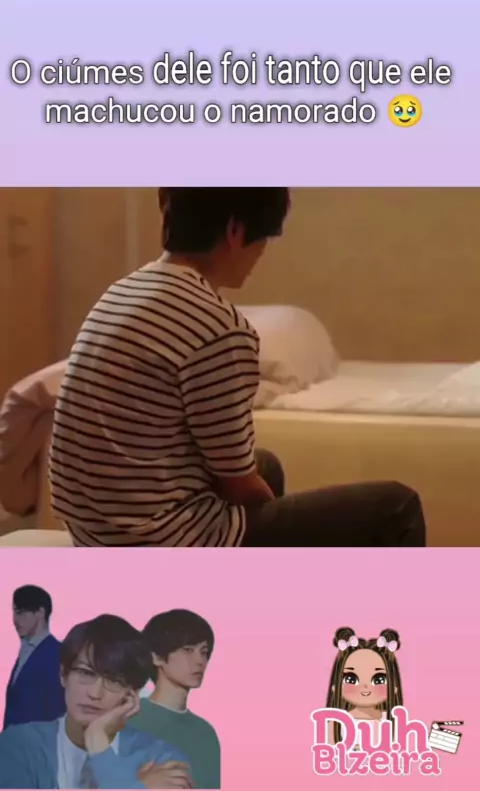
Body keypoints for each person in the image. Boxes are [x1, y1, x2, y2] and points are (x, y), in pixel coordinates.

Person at [49, 187, 426, 547]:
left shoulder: (120, 292)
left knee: (267, 465)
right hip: (161, 541)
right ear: (234, 229)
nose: (261, 255)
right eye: (264, 239)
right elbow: (238, 485)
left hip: (96, 531)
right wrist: (272, 513)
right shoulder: (219, 327)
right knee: (397, 506)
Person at [0, 614, 192, 789]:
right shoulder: (19, 744)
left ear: (133, 693)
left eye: (114, 680)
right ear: (63, 675)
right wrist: (134, 786)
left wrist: (99, 743)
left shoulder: (163, 759)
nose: (95, 693)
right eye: (86, 673)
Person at [129, 610, 220, 789]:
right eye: (188, 650)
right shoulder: (128, 719)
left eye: (204, 652)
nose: (200, 661)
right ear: (156, 656)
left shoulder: (206, 734)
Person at [326, 626, 404, 746]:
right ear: (335, 687)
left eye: (379, 679)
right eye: (351, 679)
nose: (365, 686)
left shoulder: (394, 725)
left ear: (394, 688)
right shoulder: (336, 724)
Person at [4, 586, 66, 728]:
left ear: (40, 613)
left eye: (20, 612)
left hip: (38, 739)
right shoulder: (24, 652)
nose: (15, 619)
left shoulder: (56, 654)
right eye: (14, 612)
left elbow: (56, 709)